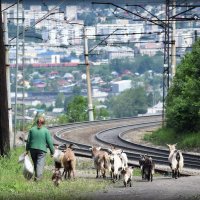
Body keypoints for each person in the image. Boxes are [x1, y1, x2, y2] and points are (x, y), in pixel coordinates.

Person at [26, 116, 55, 181]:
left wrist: (27, 150)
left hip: (32, 149)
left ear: (37, 122)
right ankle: (38, 179)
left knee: (36, 163)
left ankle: (36, 177)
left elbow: (28, 141)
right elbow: (50, 142)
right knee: (40, 164)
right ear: (43, 123)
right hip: (42, 150)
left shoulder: (32, 129)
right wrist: (52, 152)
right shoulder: (46, 131)